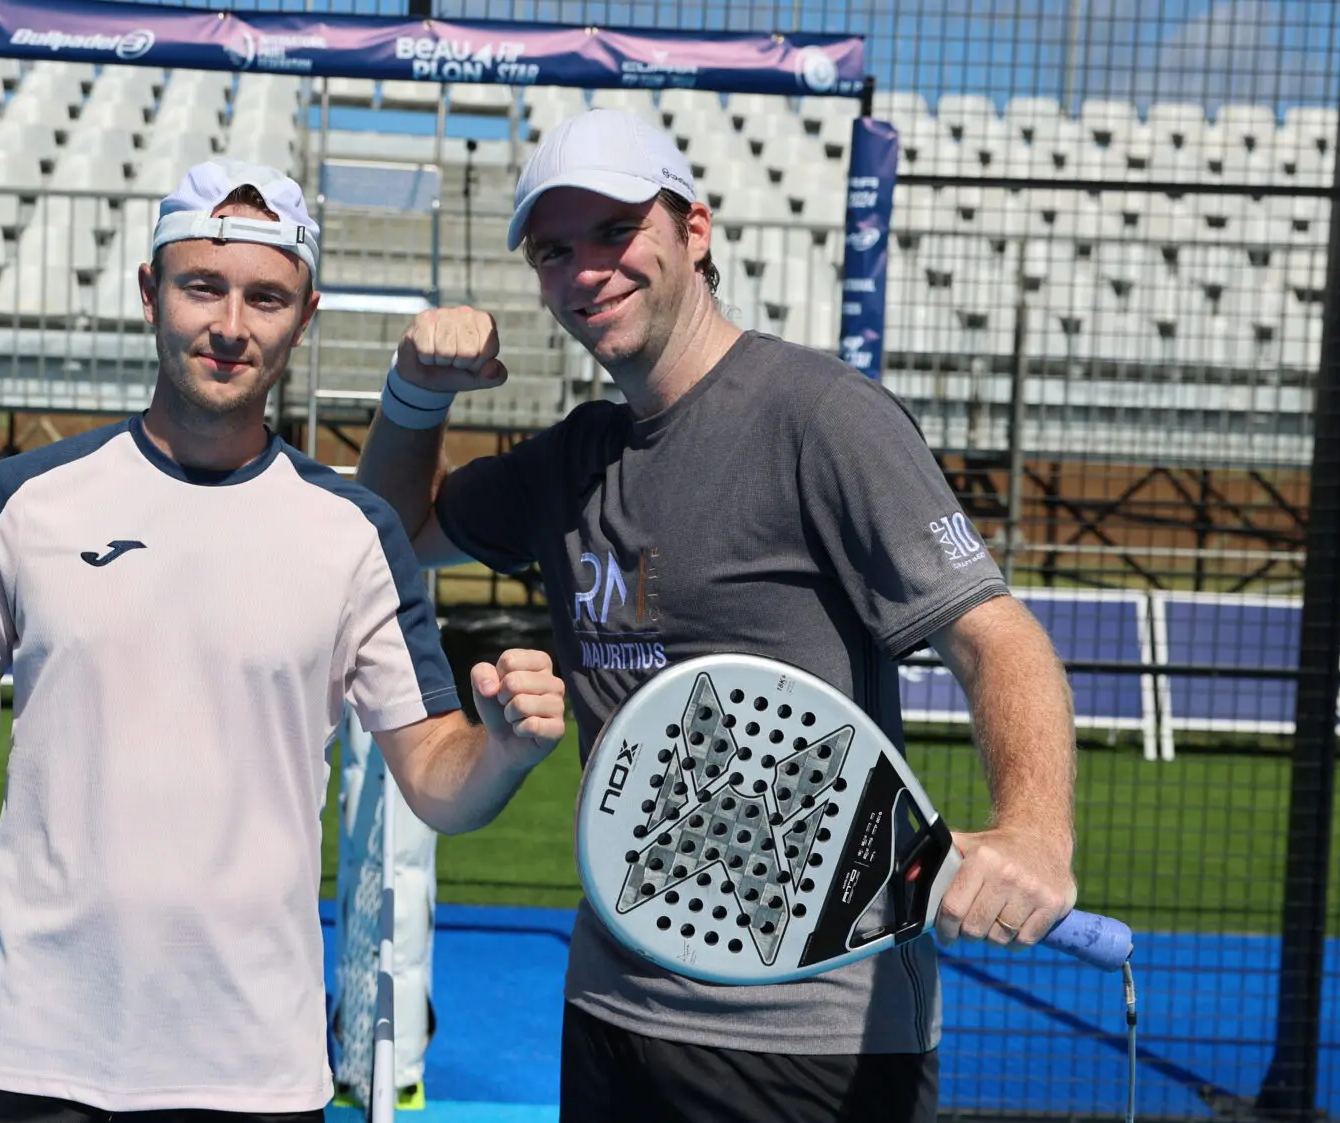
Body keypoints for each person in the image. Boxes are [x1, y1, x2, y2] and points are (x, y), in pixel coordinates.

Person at [0, 159, 569, 1122]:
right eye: (202, 285)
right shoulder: (22, 503)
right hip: (30, 1050)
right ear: (151, 291)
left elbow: (436, 781)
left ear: (306, 312)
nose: (231, 325)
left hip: (251, 1066)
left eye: (266, 297)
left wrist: (501, 749)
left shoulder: (357, 532)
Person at [356, 109, 1082, 1122]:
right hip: (612, 1006)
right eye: (553, 250)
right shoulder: (572, 458)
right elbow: (390, 534)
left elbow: (991, 633)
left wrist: (1037, 832)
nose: (585, 270)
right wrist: (413, 394)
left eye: (614, 231)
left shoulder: (821, 417)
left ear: (692, 232)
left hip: (813, 1038)